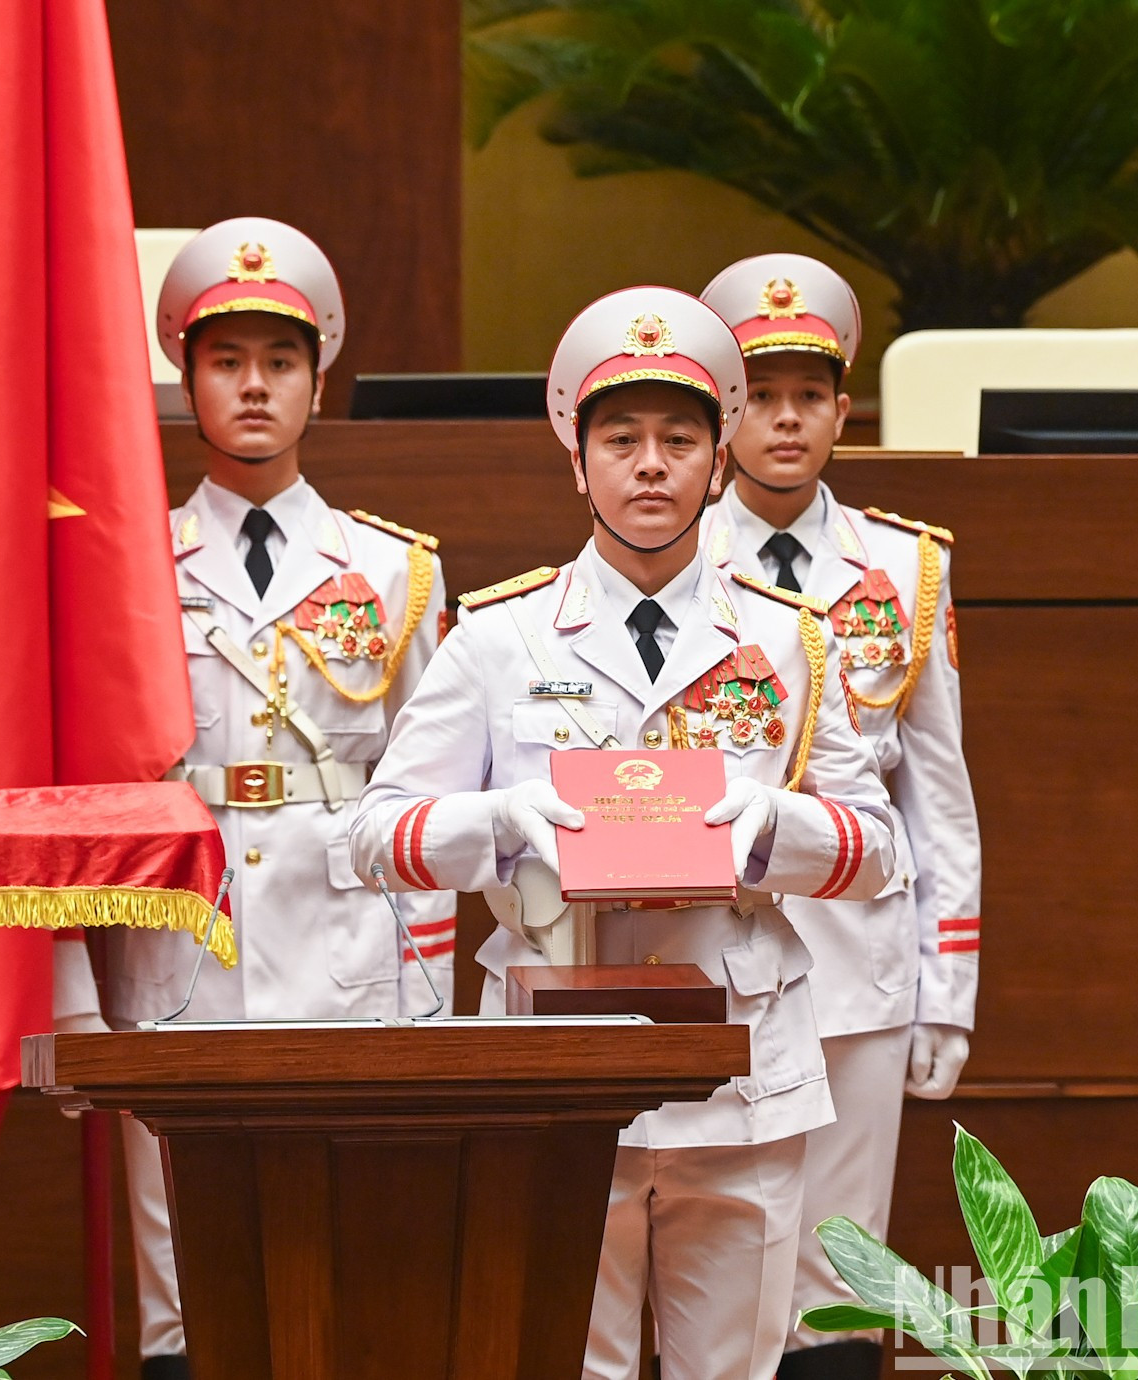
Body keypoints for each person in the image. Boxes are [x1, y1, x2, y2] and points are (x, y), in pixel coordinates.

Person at [349, 285, 896, 1380]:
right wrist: (501, 824)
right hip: (552, 1057)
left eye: (680, 438)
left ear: (720, 459)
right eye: (622, 439)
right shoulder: (499, 638)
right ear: (577, 458)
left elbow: (879, 849)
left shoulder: (791, 642)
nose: (651, 464)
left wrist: (771, 827)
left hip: (738, 1064)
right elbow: (376, 837)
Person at [100, 217, 456, 1380]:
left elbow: (431, 785)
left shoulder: (395, 568)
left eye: (281, 362)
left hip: (348, 940)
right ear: (185, 373)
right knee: (186, 1294)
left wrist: (429, 980)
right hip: (183, 945)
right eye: (225, 361)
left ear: (318, 378)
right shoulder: (129, 566)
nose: (254, 386)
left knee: (346, 1265)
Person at [699, 253, 980, 1380]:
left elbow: (940, 793)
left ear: (842, 409)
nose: (783, 419)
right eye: (760, 394)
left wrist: (946, 988)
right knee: (718, 1257)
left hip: (862, 969)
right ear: (726, 407)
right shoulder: (671, 559)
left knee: (838, 1275)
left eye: (806, 395)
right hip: (716, 959)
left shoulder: (902, 569)